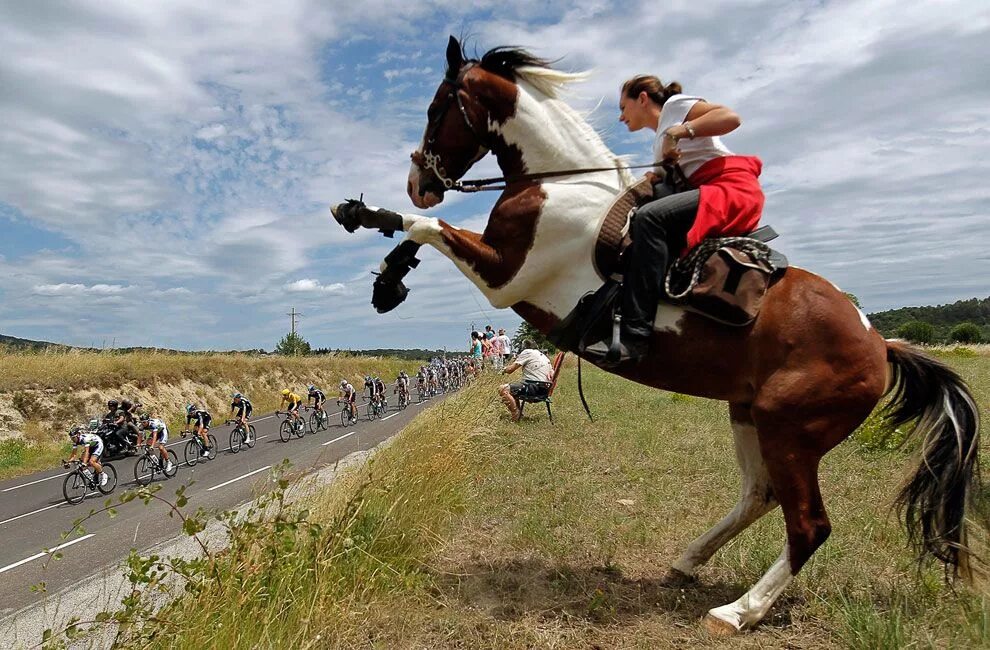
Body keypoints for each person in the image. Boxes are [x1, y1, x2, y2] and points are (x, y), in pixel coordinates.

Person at [585, 75, 764, 365]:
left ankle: (635, 337)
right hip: (708, 191)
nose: (620, 117)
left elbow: (730, 117)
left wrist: (679, 131)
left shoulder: (674, 107)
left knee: (650, 219)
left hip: (729, 189)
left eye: (623, 106)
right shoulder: (658, 145)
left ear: (642, 98)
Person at [499, 339, 555, 422]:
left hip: (533, 388)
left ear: (524, 347)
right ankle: (519, 414)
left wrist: (503, 370)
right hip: (544, 390)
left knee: (503, 389)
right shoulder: (543, 356)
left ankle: (516, 414)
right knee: (514, 389)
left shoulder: (527, 352)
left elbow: (510, 369)